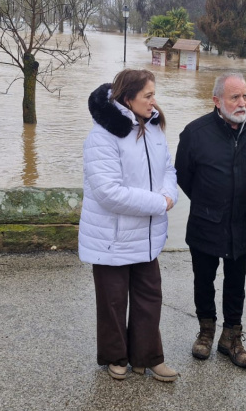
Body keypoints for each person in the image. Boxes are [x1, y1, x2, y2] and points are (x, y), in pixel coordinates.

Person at [78, 69, 180, 382]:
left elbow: (168, 171)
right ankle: (116, 357)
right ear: (128, 98)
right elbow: (109, 193)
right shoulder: (102, 135)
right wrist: (158, 204)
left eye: (154, 94)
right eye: (148, 95)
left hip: (147, 236)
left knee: (150, 297)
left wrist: (169, 194)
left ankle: (147, 357)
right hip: (111, 236)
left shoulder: (154, 128)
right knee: (112, 301)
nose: (154, 101)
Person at [174, 72, 246, 369]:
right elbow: (183, 176)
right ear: (217, 101)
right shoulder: (195, 132)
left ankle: (232, 337)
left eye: (245, 96)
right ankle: (205, 332)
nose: (242, 103)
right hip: (206, 222)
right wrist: (210, 201)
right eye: (234, 97)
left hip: (245, 221)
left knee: (236, 282)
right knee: (203, 280)